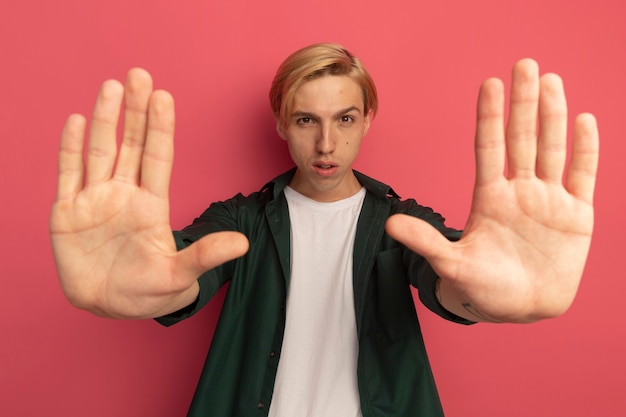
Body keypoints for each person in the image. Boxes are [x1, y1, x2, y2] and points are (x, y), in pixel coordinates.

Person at [50, 43, 599, 416]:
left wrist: (483, 302)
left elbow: (451, 279)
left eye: (345, 118)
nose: (327, 144)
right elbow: (182, 271)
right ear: (281, 123)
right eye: (306, 119)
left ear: (368, 119)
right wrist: (147, 288)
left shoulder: (400, 221)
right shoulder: (241, 218)